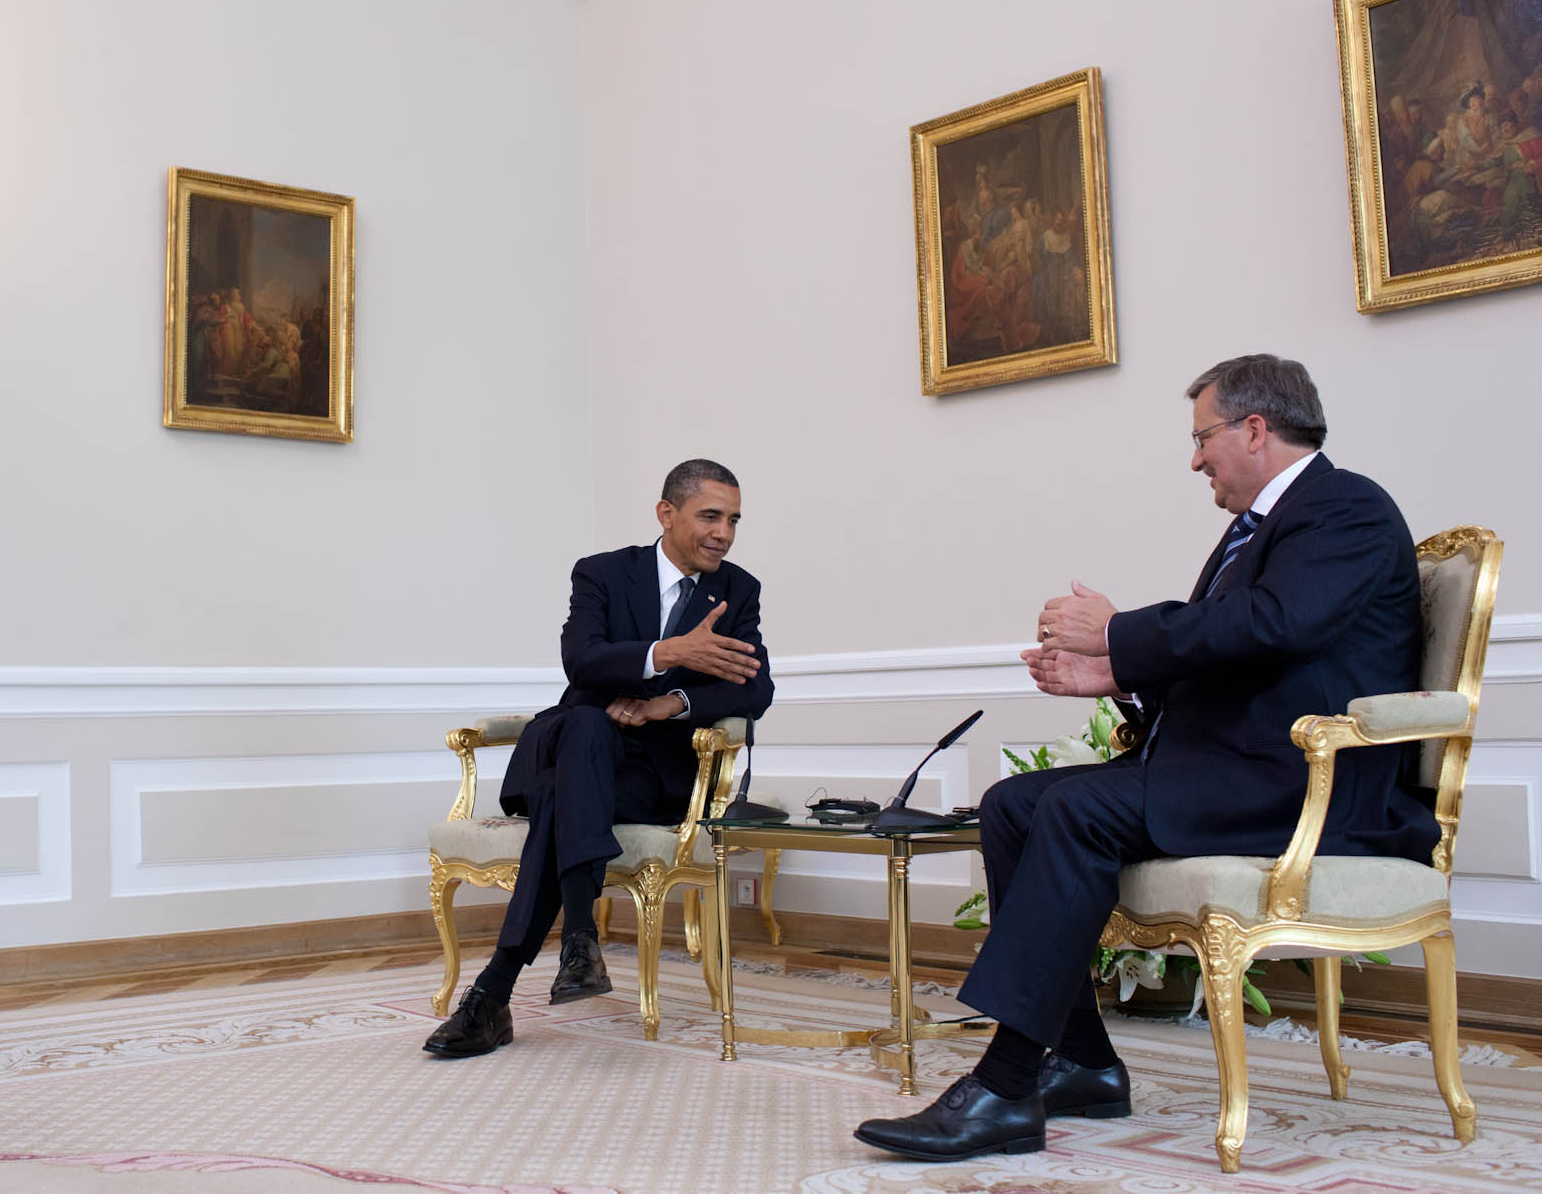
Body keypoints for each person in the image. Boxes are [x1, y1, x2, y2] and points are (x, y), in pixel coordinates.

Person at [855, 354, 1438, 1162]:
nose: (1196, 457)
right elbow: (1228, 661)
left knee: (1072, 808)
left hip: (1306, 787)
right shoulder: (1257, 530)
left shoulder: (1348, 508)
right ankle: (1086, 1061)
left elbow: (1274, 626)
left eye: (1203, 437)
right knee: (1012, 804)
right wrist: (1112, 680)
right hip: (1237, 770)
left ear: (1255, 429)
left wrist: (1120, 633)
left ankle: (1005, 1082)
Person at [422, 459, 775, 1057]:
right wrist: (668, 653)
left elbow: (754, 688)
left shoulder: (738, 589)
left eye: (734, 520)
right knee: (586, 721)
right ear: (667, 513)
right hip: (577, 747)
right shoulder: (604, 573)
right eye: (710, 516)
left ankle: (497, 992)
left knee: (565, 799)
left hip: (649, 776)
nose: (724, 533)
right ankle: (577, 939)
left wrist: (671, 703)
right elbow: (582, 663)